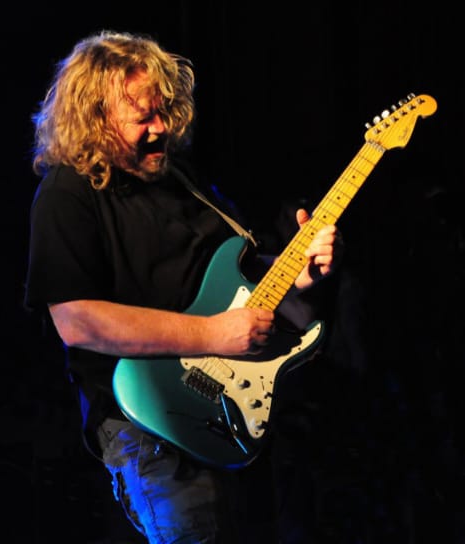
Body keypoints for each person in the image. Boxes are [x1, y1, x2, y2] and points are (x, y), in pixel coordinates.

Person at [24, 30, 344, 543]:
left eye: (163, 112)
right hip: (150, 422)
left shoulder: (180, 179)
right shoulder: (67, 193)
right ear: (95, 119)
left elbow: (237, 277)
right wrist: (212, 335)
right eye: (142, 118)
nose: (161, 128)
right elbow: (76, 320)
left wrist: (298, 273)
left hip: (236, 410)